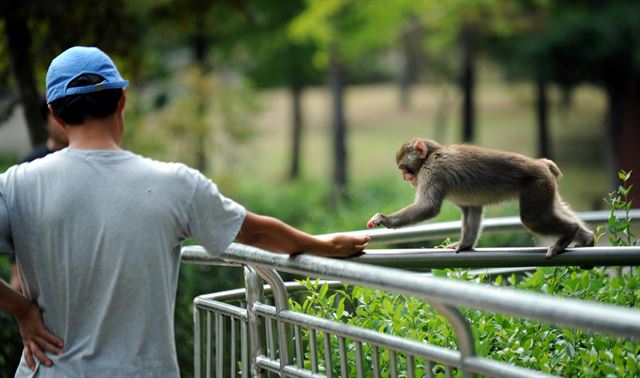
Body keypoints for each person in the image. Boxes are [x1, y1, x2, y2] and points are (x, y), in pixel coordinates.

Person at [0, 46, 369, 377]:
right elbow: (255, 232)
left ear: (56, 115)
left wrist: (22, 311)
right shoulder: (175, 184)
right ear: (122, 101)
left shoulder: (17, 184)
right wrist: (327, 246)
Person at [9, 97, 69, 293]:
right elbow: (17, 214)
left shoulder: (89, 160)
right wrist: (16, 266)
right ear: (46, 120)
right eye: (57, 116)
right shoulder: (30, 165)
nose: (63, 123)